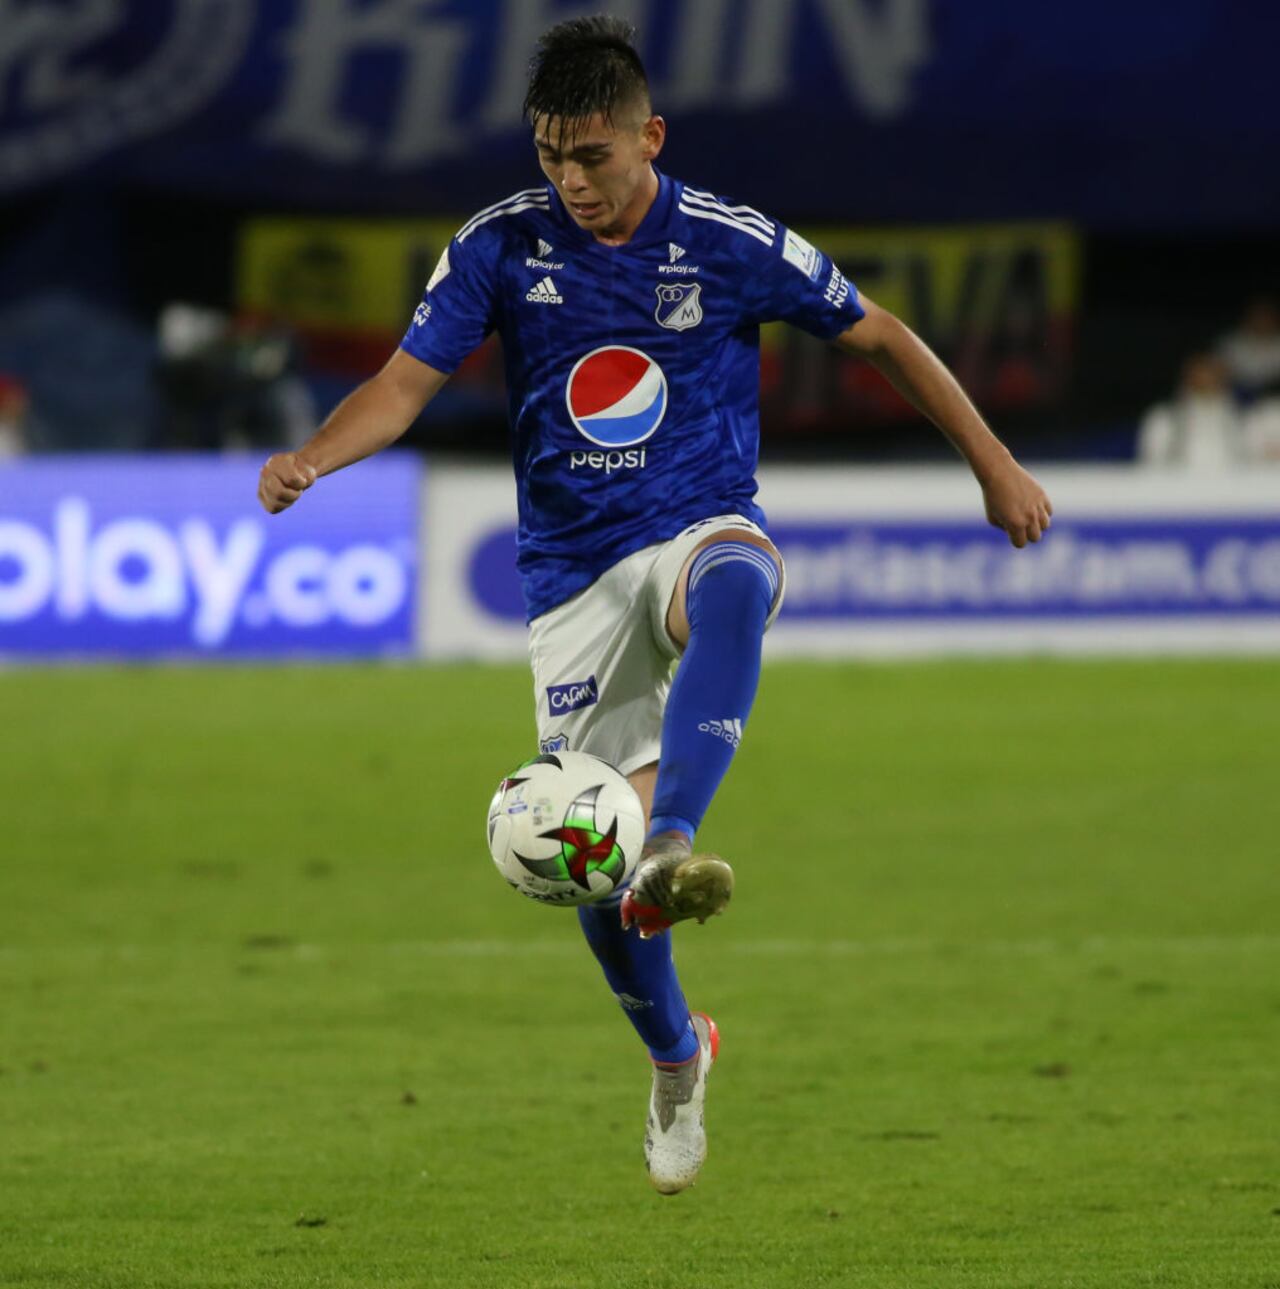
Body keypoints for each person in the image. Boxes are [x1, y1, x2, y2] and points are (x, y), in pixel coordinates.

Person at [258, 16, 1052, 1194]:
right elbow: (403, 383)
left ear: (649, 138)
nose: (570, 181)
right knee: (590, 871)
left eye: (591, 155)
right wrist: (313, 459)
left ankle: (674, 836)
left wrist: (992, 464)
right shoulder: (499, 244)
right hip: (571, 576)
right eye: (549, 155)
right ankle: (678, 1057)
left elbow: (879, 334)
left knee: (736, 578)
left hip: (693, 521)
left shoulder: (726, 241)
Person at [1136, 352, 1246, 471]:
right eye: (1200, 373)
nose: (1206, 378)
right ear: (1186, 377)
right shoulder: (1163, 418)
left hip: (1232, 480)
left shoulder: (1243, 419)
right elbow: (1151, 465)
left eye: (1213, 373)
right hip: (1177, 480)